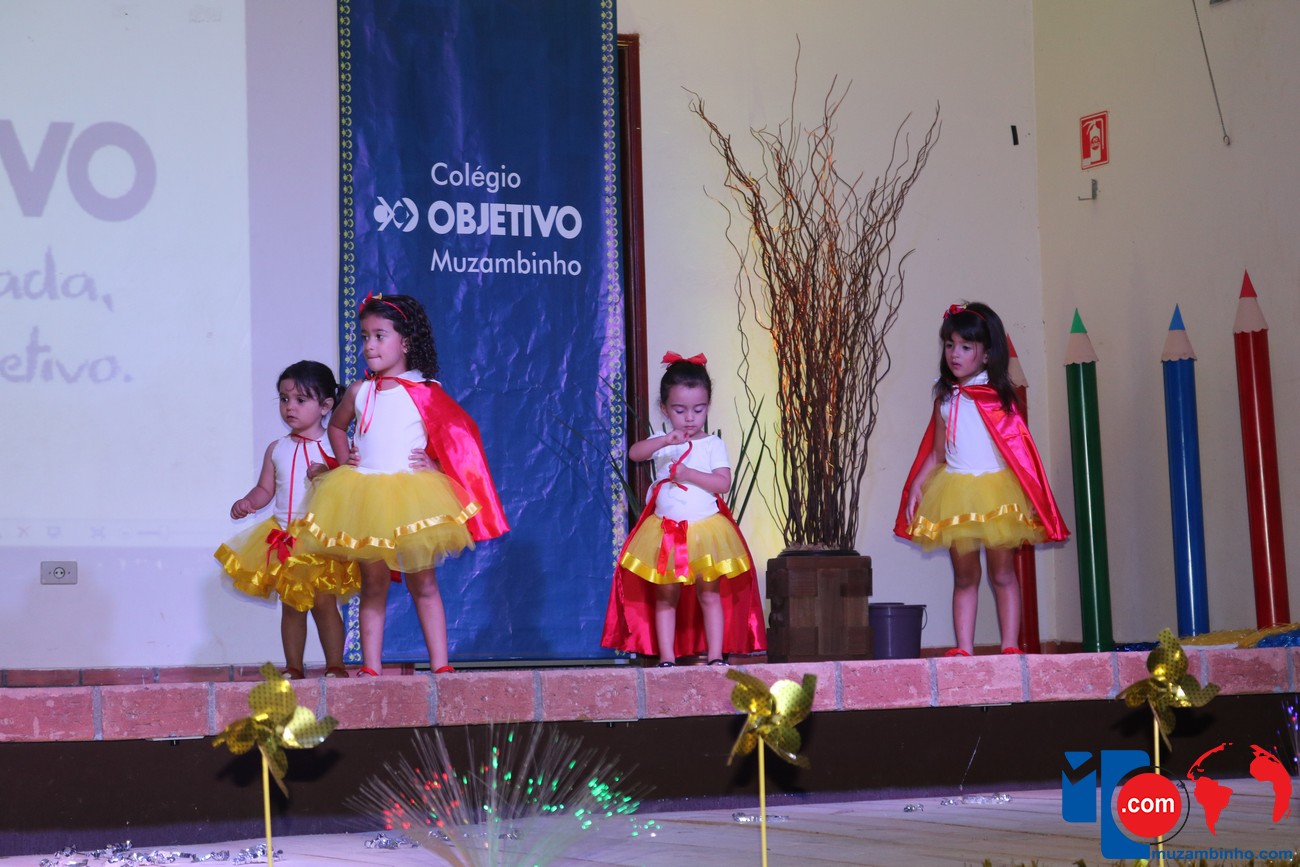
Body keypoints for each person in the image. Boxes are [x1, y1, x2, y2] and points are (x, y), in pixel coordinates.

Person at [301, 293, 508, 675]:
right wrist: (345, 457)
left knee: (423, 583)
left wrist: (436, 464)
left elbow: (459, 439)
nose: (369, 345)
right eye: (365, 337)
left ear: (406, 342)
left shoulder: (425, 391)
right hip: (365, 495)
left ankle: (441, 665)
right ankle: (372, 667)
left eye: (380, 336)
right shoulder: (359, 391)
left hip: (412, 497)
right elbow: (336, 426)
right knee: (373, 583)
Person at [895, 302, 1068, 656]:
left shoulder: (998, 399)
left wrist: (1029, 493)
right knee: (965, 576)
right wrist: (916, 487)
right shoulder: (945, 398)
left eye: (965, 347)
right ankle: (964, 648)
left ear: (987, 354)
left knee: (1002, 573)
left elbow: (1018, 450)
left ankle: (1009, 645)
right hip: (956, 494)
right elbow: (938, 453)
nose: (954, 354)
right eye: (950, 345)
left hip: (996, 495)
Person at [602, 352, 766, 666]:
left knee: (709, 593)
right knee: (666, 595)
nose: (689, 418)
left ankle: (715, 656)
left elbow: (722, 483)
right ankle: (667, 657)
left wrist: (689, 474)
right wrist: (665, 441)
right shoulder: (663, 441)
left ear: (708, 406)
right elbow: (635, 454)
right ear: (665, 408)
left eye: (698, 410)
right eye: (679, 410)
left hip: (706, 531)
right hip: (666, 531)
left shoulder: (712, 444)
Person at [215, 360, 361, 679]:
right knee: (292, 605)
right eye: (284, 399)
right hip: (284, 538)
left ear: (325, 406)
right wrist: (248, 502)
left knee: (324, 603)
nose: (289, 407)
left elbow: (351, 488)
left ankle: (335, 665)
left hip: (320, 539)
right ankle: (294, 667)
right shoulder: (276, 448)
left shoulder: (334, 447)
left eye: (300, 400)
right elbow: (265, 489)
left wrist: (327, 474)